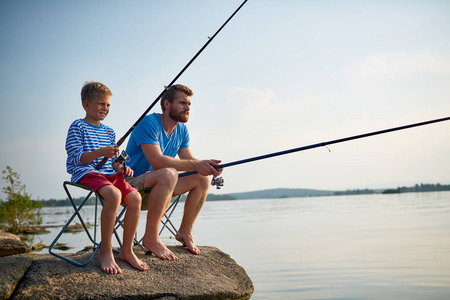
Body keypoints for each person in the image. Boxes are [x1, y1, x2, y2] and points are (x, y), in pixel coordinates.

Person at [125, 84, 222, 261]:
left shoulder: (182, 130)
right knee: (168, 172)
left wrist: (207, 167)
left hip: (161, 188)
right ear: (167, 104)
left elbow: (189, 162)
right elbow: (157, 161)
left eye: (189, 104)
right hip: (131, 187)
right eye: (182, 103)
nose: (188, 108)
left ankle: (185, 231)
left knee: (201, 178)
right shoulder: (149, 123)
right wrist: (196, 164)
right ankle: (151, 238)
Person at [65, 81, 149, 274]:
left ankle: (127, 250)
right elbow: (77, 158)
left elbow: (113, 163)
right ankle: (106, 250)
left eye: (108, 105)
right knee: (113, 195)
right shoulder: (77, 127)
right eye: (101, 104)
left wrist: (121, 168)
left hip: (109, 174)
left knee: (135, 197)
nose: (106, 108)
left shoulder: (109, 131)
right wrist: (102, 151)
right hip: (86, 173)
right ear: (87, 105)